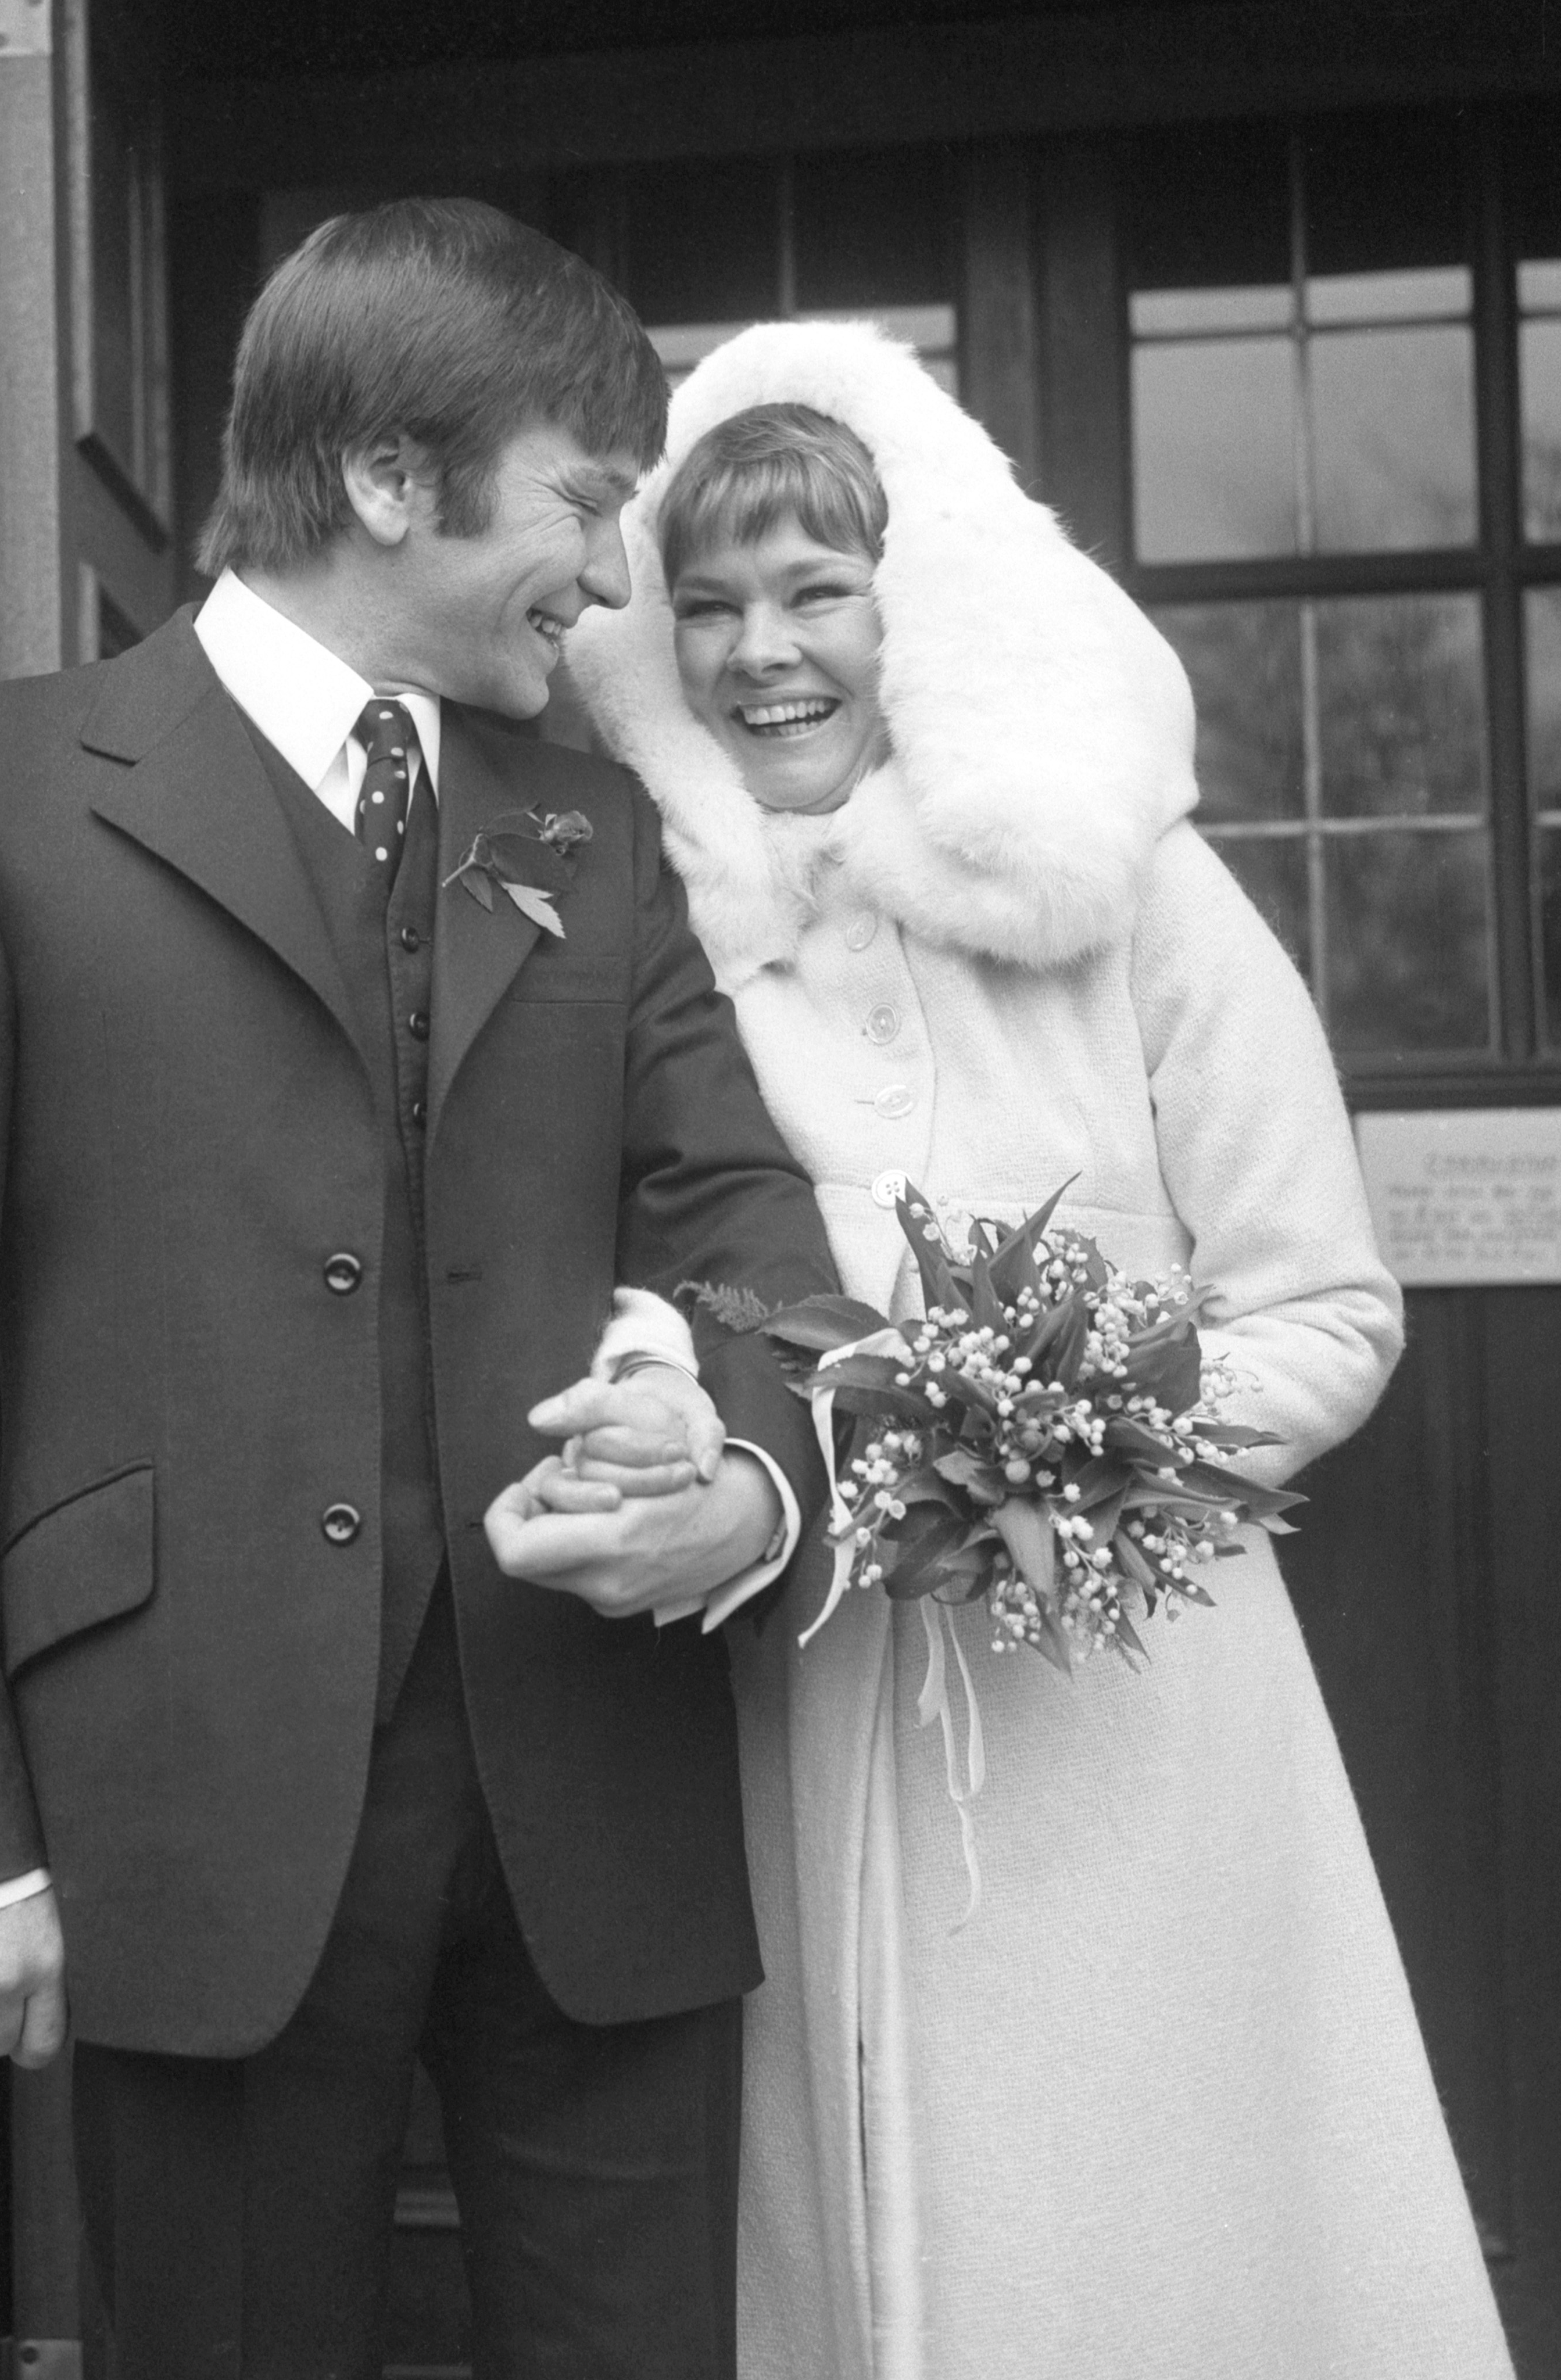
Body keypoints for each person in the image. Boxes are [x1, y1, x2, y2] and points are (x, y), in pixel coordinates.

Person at [0, 201, 837, 2379]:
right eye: (585, 496)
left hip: (598, 1807)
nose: (614, 577)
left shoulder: (592, 827)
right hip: (181, 1808)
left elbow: (751, 1238)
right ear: (383, 480)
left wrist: (743, 1472)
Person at [564, 320, 1516, 2380]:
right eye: (706, 606)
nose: (760, 654)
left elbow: (1325, 1306)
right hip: (805, 1692)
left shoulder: (1139, 897)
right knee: (864, 2219)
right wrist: (692, 1429)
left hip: (1133, 1700)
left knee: (1155, 2214)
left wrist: (1058, 1449)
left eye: (816, 590)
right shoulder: (658, 946)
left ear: (920, 610)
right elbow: (638, 1283)